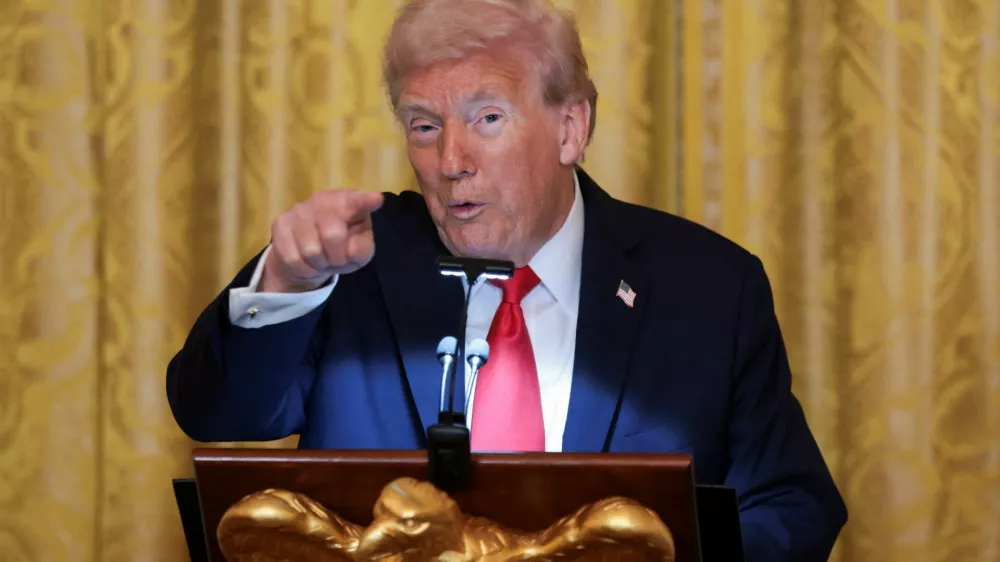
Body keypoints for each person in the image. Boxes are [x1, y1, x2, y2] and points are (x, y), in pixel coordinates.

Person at [166, 0, 847, 559]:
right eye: (423, 125)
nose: (450, 160)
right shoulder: (351, 264)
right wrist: (286, 281)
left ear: (569, 129)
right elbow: (218, 412)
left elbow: (792, 508)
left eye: (486, 119)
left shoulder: (707, 287)